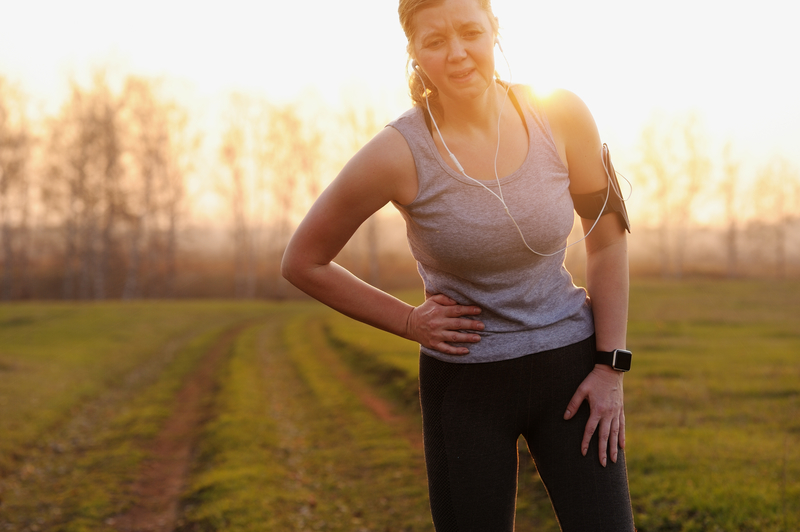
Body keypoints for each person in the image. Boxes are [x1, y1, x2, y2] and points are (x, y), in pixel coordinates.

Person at [281, 0, 635, 529]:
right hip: (466, 388)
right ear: (414, 53)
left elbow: (606, 240)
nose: (458, 54)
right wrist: (407, 320)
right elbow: (304, 260)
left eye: (470, 31)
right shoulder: (399, 152)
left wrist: (610, 367)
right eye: (435, 41)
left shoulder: (560, 114)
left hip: (573, 373)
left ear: (495, 30)